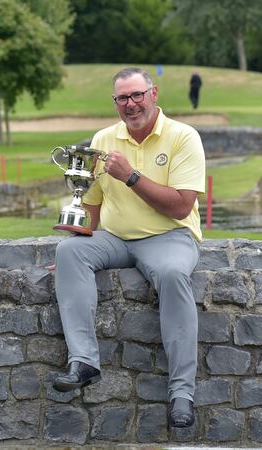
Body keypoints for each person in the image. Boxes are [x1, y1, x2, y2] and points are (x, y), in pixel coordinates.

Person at [51, 67, 206, 428]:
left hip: (170, 236)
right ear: (115, 102)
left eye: (137, 95)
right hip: (118, 238)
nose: (131, 104)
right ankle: (84, 363)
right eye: (123, 98)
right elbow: (90, 204)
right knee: (68, 253)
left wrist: (131, 177)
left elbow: (181, 205)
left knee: (172, 274)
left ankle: (182, 393)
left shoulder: (184, 136)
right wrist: (74, 230)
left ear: (153, 94)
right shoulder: (103, 139)